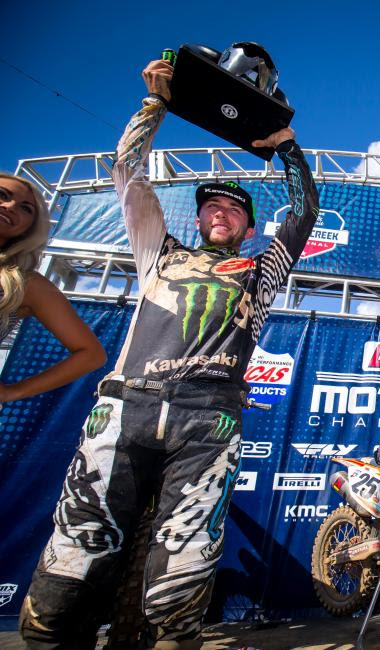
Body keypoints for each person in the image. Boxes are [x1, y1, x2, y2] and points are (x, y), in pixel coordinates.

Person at [20, 57, 319, 648]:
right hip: (127, 407)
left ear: (248, 228)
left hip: (208, 418)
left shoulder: (261, 270)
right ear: (199, 214)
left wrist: (287, 146)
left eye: (234, 209)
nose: (222, 212)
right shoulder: (159, 250)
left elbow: (304, 211)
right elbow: (129, 175)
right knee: (69, 570)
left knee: (180, 582)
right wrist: (154, 105)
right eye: (212, 205)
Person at [0, 173, 106, 402]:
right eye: (2, 195)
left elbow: (92, 354)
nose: (9, 206)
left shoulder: (24, 283)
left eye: (26, 208)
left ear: (29, 228)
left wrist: (12, 392)